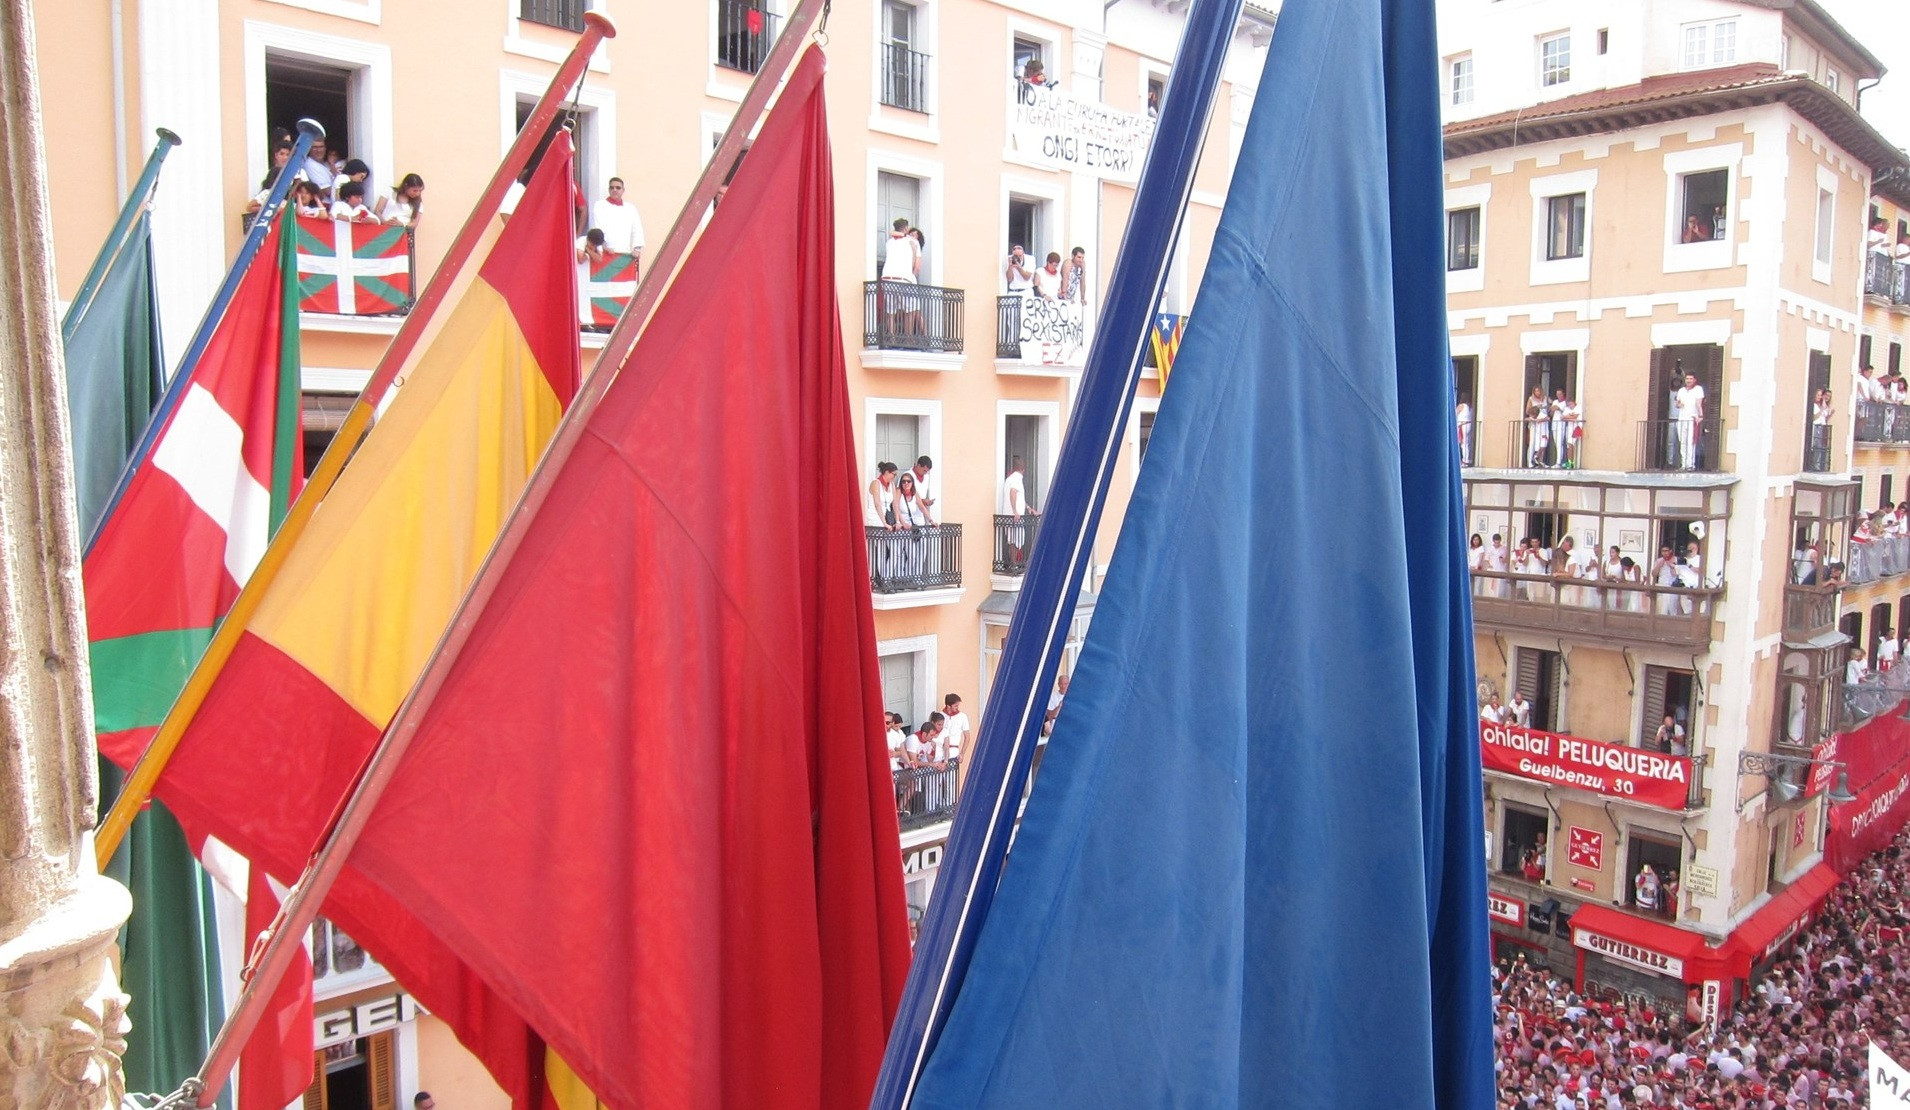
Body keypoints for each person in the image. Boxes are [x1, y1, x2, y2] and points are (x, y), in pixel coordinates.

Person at [880, 217, 921, 340]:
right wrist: (912, 273)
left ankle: (892, 338)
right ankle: (909, 338)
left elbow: (894, 235)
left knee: (890, 311)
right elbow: (917, 266)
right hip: (904, 278)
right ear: (906, 228)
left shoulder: (889, 242)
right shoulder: (913, 241)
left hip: (887, 278)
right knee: (912, 309)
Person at [591, 176, 644, 260]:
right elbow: (597, 227)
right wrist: (604, 246)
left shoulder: (631, 208)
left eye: (618, 188)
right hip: (605, 253)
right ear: (609, 190)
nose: (614, 190)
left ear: (623, 190)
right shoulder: (600, 205)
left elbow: (637, 229)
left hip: (624, 255)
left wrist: (636, 249)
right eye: (612, 187)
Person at [999, 455, 1035, 567]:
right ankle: (1014, 565)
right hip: (1015, 517)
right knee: (1016, 541)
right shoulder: (1017, 479)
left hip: (1009, 515)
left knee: (1012, 540)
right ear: (1023, 469)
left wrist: (1028, 508)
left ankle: (1014, 564)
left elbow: (1019, 498)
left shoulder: (1009, 479)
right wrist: (1015, 511)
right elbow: (1013, 492)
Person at [1674, 370, 1705, 469]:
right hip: (1681, 419)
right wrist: (1679, 404)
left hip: (1692, 419)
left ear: (1695, 380)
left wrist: (1700, 416)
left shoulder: (1698, 389)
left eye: (1691, 379)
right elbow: (1677, 404)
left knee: (1691, 442)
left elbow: (1699, 404)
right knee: (1682, 442)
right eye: (1687, 378)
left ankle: (1690, 465)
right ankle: (1684, 465)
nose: (1688, 380)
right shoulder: (1681, 390)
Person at [1524, 386, 1551, 467]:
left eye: (1539, 391)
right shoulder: (1531, 399)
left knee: (1542, 442)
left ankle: (1540, 461)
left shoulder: (1545, 398)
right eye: (1536, 391)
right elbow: (1527, 411)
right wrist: (1536, 408)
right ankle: (1530, 461)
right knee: (1533, 442)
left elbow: (1551, 405)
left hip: (1543, 421)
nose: (1537, 393)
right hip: (1534, 421)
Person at [908, 456, 936, 524]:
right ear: (918, 465)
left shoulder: (926, 477)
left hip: (920, 514)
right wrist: (922, 500)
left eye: (927, 471)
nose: (925, 473)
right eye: (924, 470)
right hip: (907, 515)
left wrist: (927, 501)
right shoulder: (907, 476)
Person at [1455, 394, 1473, 467]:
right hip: (1469, 424)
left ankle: (1465, 460)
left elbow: (1454, 413)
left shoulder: (1461, 406)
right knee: (1467, 443)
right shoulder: (1471, 406)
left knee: (1463, 443)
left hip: (1462, 425)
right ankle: (1468, 459)